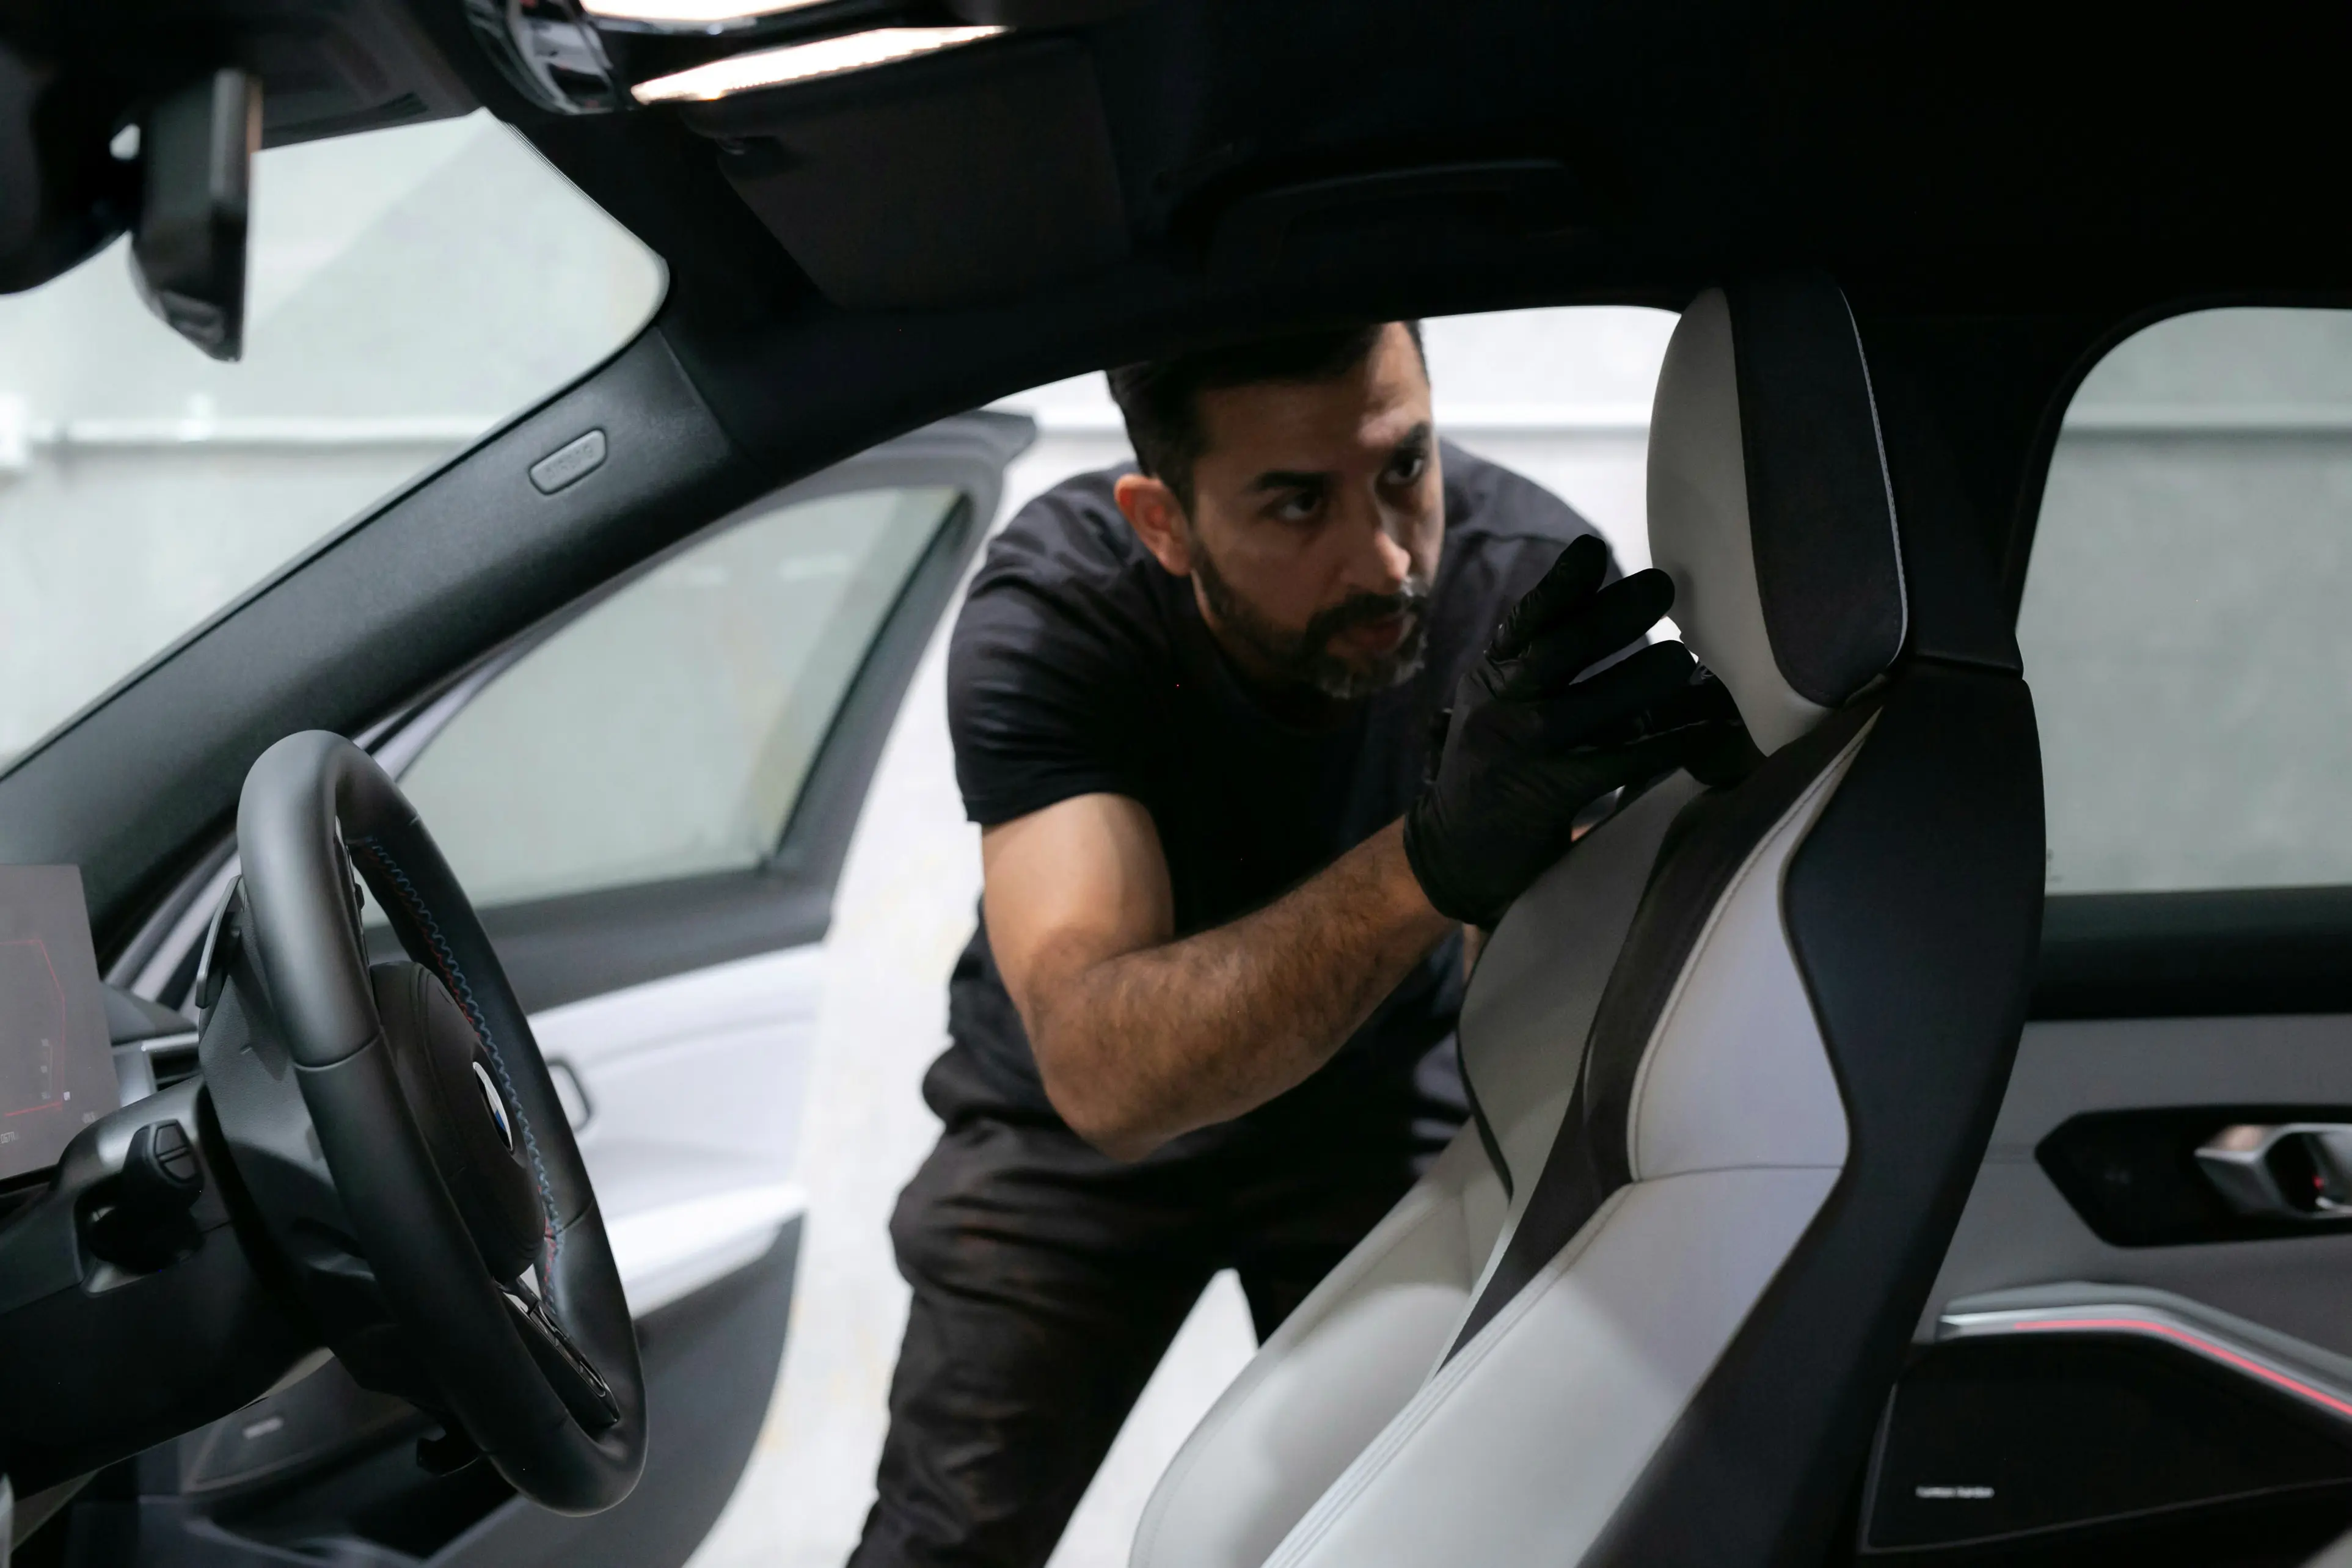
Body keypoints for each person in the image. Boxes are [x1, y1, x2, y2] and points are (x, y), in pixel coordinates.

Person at [850, 321, 1720, 1567]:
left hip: (1373, 1113)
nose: (1381, 557)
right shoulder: (1060, 606)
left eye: (1403, 469)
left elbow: (1542, 1025)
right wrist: (1428, 859)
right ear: (1162, 521)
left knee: (1415, 1524)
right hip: (1066, 1148)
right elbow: (1105, 1076)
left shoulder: (1515, 585)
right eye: (1295, 503)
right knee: (947, 1542)